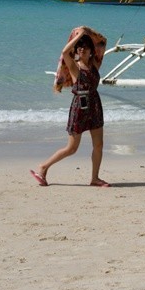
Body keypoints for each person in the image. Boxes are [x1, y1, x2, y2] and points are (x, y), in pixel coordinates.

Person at [31, 25, 111, 187]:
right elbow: (64, 52)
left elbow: (102, 42)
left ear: (90, 50)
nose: (82, 50)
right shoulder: (74, 66)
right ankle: (43, 167)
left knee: (99, 145)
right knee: (72, 148)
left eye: (85, 47)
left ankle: (95, 178)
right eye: (79, 48)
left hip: (95, 105)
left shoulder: (95, 64)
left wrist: (86, 32)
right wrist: (79, 36)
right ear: (76, 50)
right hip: (79, 107)